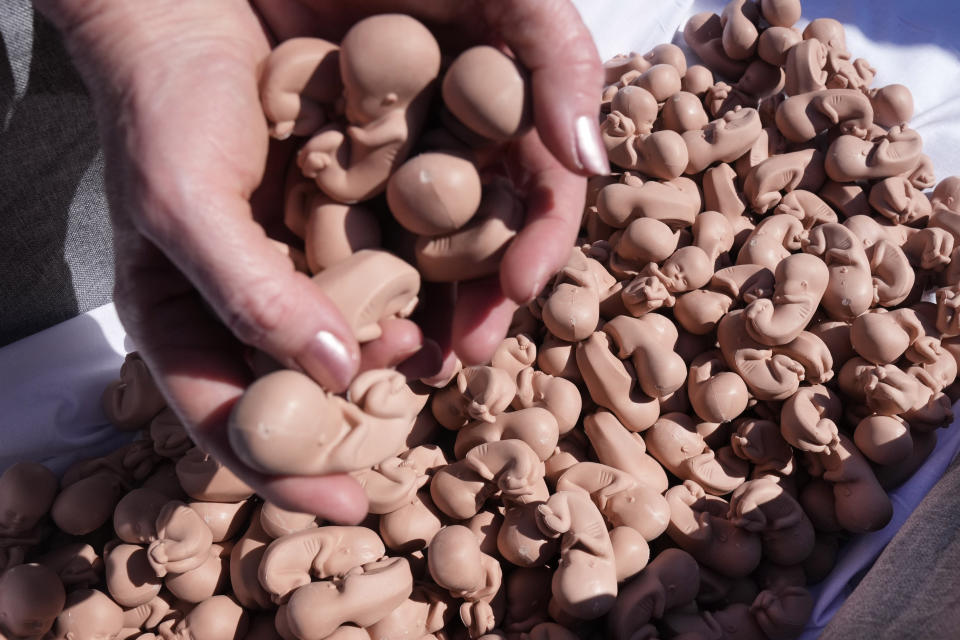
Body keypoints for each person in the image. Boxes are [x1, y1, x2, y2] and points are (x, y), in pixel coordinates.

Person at [24, 0, 608, 523]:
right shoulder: (382, 123)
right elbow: (350, 162)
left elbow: (356, 172)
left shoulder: (385, 129)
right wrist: (156, 22)